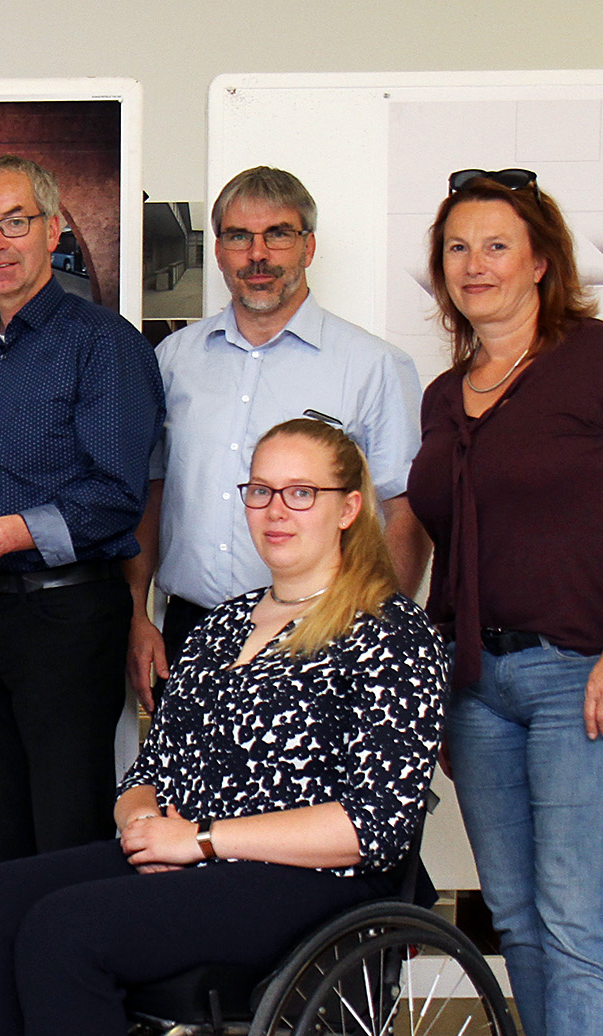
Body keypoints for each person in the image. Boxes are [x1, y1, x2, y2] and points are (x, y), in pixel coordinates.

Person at [0, 417, 445, 1036]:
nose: (275, 510)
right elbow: (148, 771)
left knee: (65, 930)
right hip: (192, 856)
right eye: (260, 491)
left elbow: (374, 826)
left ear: (349, 508)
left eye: (301, 493)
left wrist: (202, 839)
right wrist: (144, 823)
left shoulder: (389, 632)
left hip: (309, 875)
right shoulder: (222, 626)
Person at [406, 168, 603, 1036]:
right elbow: (450, 552)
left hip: (584, 670)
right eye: (458, 248)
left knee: (575, 912)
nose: (475, 264)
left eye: (497, 245)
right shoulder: (443, 395)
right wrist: (440, 686)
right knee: (516, 912)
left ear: (541, 261)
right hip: (478, 686)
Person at [0, 154, 164, 872]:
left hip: (69, 621)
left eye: (14, 222)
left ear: (52, 230)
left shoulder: (105, 344)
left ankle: (62, 952)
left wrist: (5, 533)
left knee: (65, 839)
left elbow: (117, 495)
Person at [126, 166, 426, 709]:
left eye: (278, 234)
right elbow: (153, 490)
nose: (257, 255)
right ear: (219, 252)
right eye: (239, 237)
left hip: (322, 634)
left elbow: (403, 510)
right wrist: (136, 614)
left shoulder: (373, 366)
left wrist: (381, 639)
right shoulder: (173, 361)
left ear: (308, 246)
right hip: (189, 636)